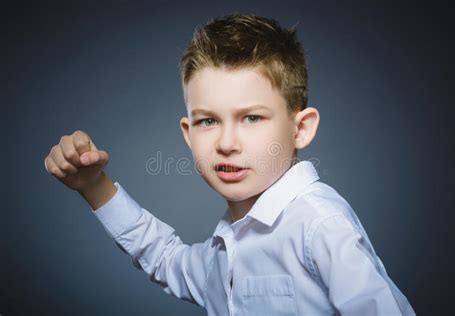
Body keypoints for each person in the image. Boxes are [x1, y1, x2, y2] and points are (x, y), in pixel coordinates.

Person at [44, 13, 415, 316]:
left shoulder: (319, 224)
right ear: (188, 134)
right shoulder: (226, 247)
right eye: (208, 121)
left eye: (252, 118)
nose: (226, 143)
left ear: (300, 129)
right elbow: (165, 258)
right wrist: (94, 185)